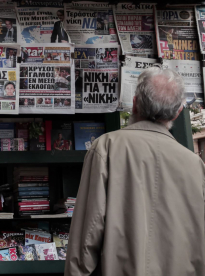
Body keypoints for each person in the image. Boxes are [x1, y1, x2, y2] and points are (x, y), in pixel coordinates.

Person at [65, 67, 205, 276]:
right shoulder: (195, 165)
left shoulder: (106, 147)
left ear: (135, 103)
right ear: (177, 112)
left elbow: (87, 235)